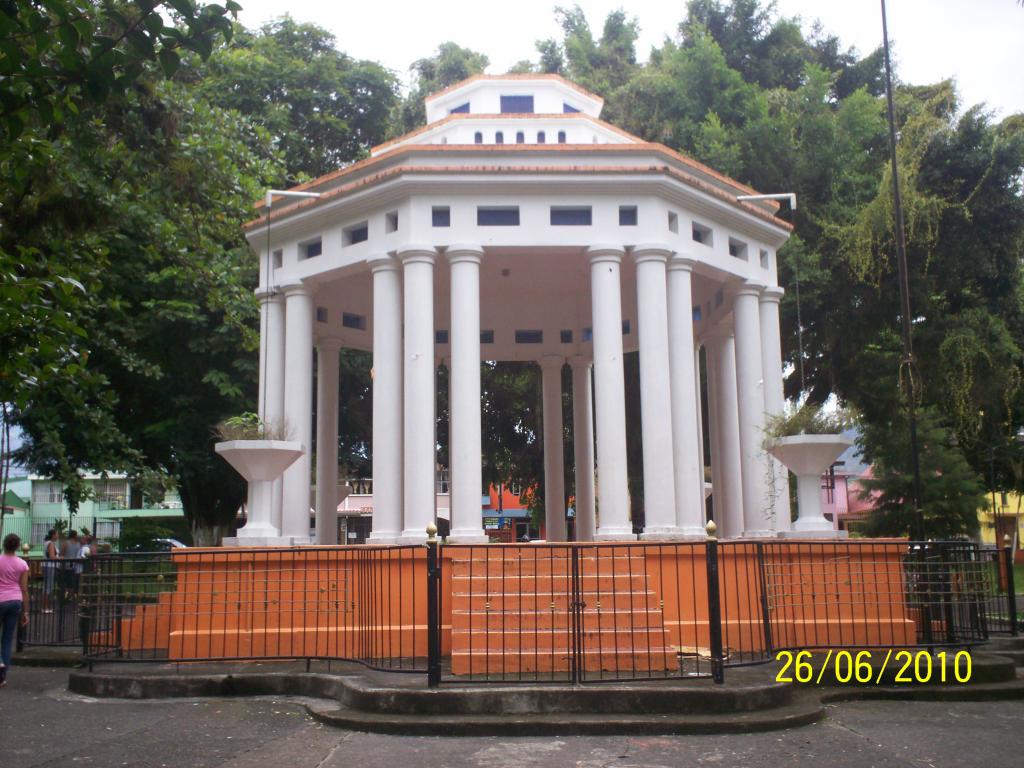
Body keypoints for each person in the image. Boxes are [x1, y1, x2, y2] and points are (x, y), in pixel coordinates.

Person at [0, 532, 30, 688]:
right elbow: (24, 589)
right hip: (15, 600)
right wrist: (26, 611)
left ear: (3, 544)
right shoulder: (22, 564)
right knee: (7, 639)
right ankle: (2, 677)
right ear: (18, 546)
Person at [42, 529, 60, 613]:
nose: (58, 536)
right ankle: (45, 607)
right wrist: (61, 558)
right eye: (57, 534)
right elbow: (52, 556)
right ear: (53, 535)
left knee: (47, 585)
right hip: (49, 566)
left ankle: (45, 607)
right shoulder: (51, 543)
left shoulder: (47, 542)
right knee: (48, 586)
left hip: (46, 566)